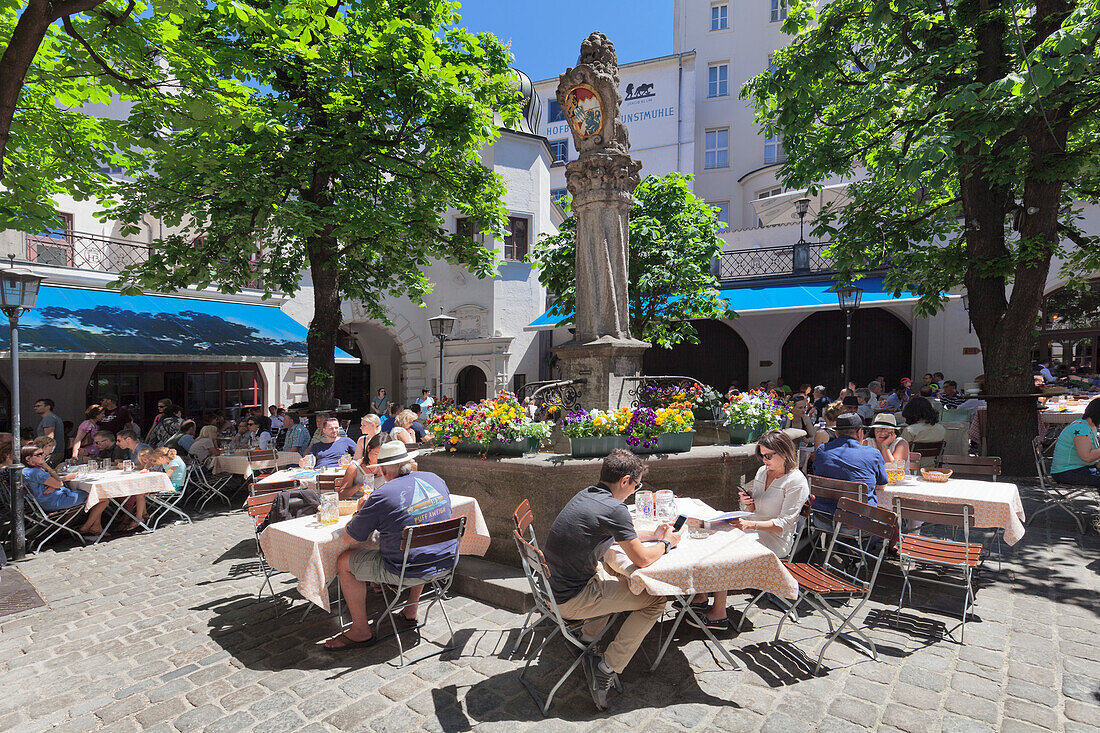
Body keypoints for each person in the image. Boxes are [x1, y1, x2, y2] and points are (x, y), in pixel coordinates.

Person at [543, 449, 676, 711]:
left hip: (552, 588)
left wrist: (649, 535)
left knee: (614, 568)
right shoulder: (615, 508)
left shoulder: (588, 495)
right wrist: (667, 543)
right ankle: (607, 667)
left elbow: (614, 535)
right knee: (656, 600)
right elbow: (643, 561)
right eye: (636, 485)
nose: (635, 490)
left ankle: (587, 639)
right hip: (571, 599)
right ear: (625, 480)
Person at [324, 442, 452, 651]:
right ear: (408, 463)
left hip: (405, 570)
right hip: (444, 561)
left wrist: (360, 512)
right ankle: (411, 609)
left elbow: (349, 537)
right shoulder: (435, 479)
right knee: (418, 543)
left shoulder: (382, 494)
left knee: (344, 561)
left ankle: (360, 630)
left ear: (382, 470)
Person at [688, 431, 809, 631]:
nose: (764, 459)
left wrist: (749, 524)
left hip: (775, 539)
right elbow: (756, 510)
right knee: (709, 533)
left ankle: (719, 614)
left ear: (785, 452)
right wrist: (749, 503)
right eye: (761, 455)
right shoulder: (763, 471)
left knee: (726, 548)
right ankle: (701, 595)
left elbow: (784, 524)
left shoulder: (795, 481)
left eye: (769, 455)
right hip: (753, 528)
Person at [21, 444, 110, 538]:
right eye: (39, 455)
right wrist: (48, 468)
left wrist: (54, 485)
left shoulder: (25, 471)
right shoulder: (36, 472)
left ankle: (95, 526)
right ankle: (86, 527)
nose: (43, 456)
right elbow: (59, 484)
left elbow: (54, 483)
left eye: (43, 453)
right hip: (54, 501)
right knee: (102, 498)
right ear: (28, 458)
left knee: (90, 495)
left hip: (43, 501)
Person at [813, 413, 888, 515]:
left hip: (823, 519)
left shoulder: (822, 450)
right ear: (859, 432)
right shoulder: (873, 454)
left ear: (836, 433)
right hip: (859, 524)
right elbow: (881, 485)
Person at [1050, 398, 1100, 486]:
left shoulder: (1088, 426)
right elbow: (1087, 457)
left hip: (1075, 470)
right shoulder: (1082, 428)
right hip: (1067, 472)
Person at [338, 433, 385, 499]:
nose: (379, 457)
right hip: (359, 505)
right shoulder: (354, 468)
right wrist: (357, 487)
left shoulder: (387, 465)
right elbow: (341, 494)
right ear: (368, 449)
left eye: (383, 454)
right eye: (376, 454)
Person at [33, 398, 66, 466]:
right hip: (55, 452)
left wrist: (44, 453)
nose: (35, 408)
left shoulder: (49, 418)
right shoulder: (52, 417)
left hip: (51, 453)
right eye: (35, 406)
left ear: (48, 407)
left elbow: (49, 436)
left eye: (38, 406)